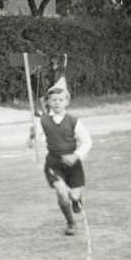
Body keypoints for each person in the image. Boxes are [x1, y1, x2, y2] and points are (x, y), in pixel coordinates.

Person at [35, 78, 92, 236]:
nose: (57, 103)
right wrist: (31, 137)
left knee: (74, 194)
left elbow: (87, 142)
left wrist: (76, 155)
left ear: (67, 102)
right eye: (53, 100)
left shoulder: (74, 121)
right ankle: (70, 223)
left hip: (73, 165)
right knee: (61, 192)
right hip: (54, 163)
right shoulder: (43, 121)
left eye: (61, 100)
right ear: (48, 102)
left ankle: (76, 199)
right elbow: (34, 140)